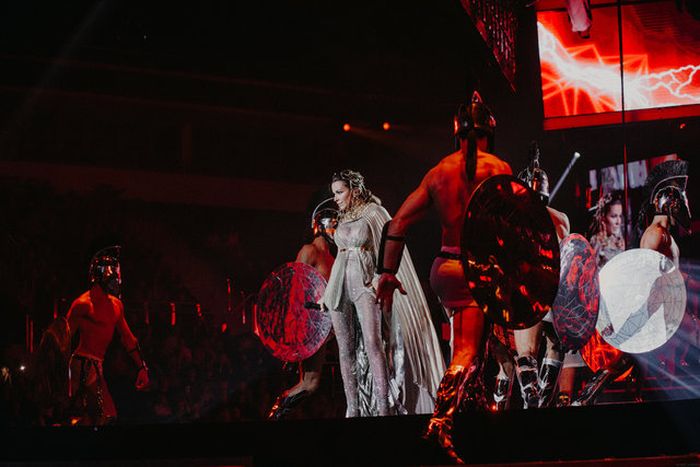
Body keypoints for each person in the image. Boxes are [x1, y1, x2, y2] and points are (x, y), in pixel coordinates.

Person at [376, 91, 511, 462]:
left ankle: (473, 414)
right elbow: (513, 228)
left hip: (444, 269)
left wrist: (387, 273)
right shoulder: (499, 168)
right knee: (466, 351)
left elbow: (397, 223)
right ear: (489, 131)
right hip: (473, 271)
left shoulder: (438, 172)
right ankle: (440, 421)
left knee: (471, 347)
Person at [322, 170, 444, 418]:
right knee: (344, 349)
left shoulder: (374, 212)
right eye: (334, 193)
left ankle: (383, 408)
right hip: (339, 286)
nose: (335, 198)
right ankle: (353, 408)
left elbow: (387, 250)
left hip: (366, 284)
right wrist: (326, 293)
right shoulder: (342, 217)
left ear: (355, 190)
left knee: (373, 343)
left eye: (340, 192)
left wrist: (380, 279)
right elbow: (340, 256)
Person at [511, 142, 570, 410]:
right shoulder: (562, 219)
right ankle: (543, 406)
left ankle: (532, 404)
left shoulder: (516, 220)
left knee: (526, 354)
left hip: (530, 292)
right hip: (557, 294)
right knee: (555, 347)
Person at [268, 197, 338, 419]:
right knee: (309, 383)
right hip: (312, 326)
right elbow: (294, 296)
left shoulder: (334, 258)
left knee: (318, 383)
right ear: (322, 224)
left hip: (332, 325)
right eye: (334, 223)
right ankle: (276, 415)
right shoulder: (309, 251)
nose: (337, 228)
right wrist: (294, 340)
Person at [66, 246, 149, 425]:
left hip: (97, 364)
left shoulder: (116, 305)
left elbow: (128, 338)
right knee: (102, 415)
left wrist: (141, 367)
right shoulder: (83, 304)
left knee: (99, 417)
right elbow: (63, 339)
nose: (116, 280)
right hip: (83, 364)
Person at [559, 192, 625, 406]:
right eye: (614, 216)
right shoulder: (595, 242)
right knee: (577, 358)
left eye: (620, 216)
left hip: (613, 306)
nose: (618, 221)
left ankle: (589, 397)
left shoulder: (620, 241)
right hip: (593, 308)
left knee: (616, 360)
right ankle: (569, 400)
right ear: (603, 218)